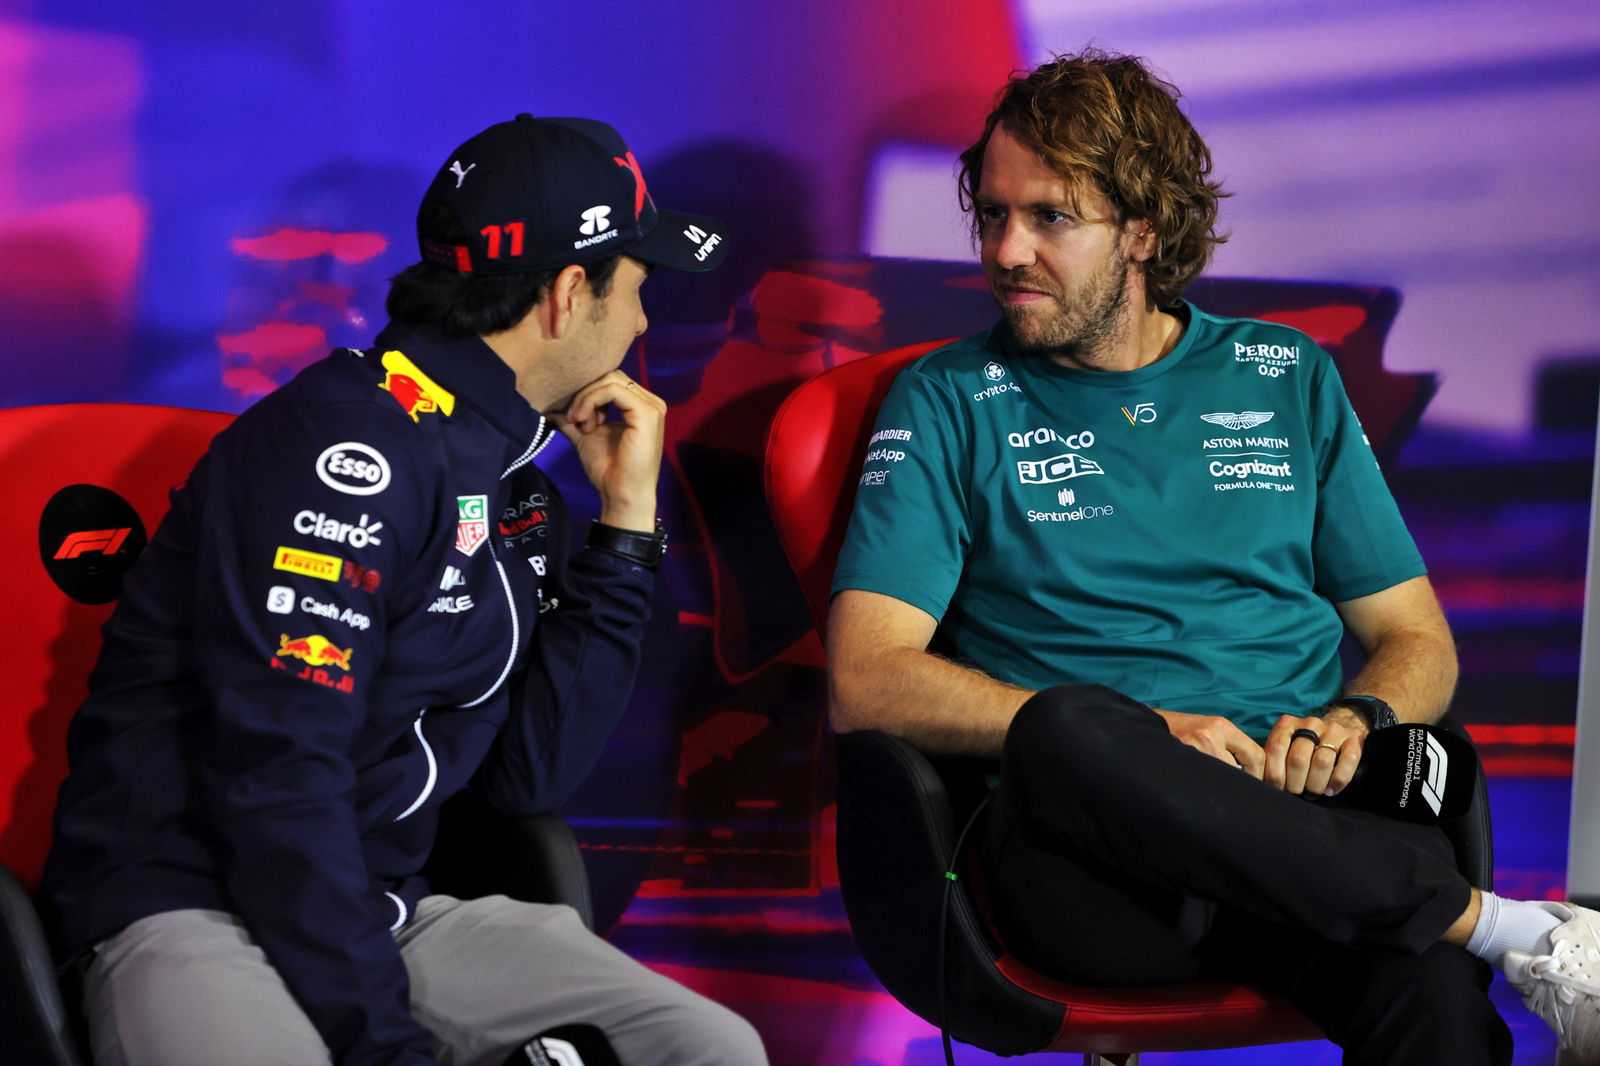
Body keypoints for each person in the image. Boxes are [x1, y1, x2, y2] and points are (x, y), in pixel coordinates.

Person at [827, 51, 1599, 1064]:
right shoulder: (944, 398)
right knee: (1066, 723)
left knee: (1431, 1001)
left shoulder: (1286, 376)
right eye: (991, 216)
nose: (1006, 250)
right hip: (1099, 872)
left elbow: (1417, 643)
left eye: (1050, 217)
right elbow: (864, 679)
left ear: (1142, 229)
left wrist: (1351, 720)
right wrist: (1150, 733)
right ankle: (1516, 930)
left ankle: (1456, 927)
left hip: (1308, 828)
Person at [41, 113, 765, 1066]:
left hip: (379, 911)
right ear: (567, 293)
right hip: (195, 906)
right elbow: (278, 784)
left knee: (702, 1047)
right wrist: (385, 1042)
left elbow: (529, 777)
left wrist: (625, 529)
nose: (640, 326)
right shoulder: (342, 454)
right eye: (639, 289)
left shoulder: (511, 482)